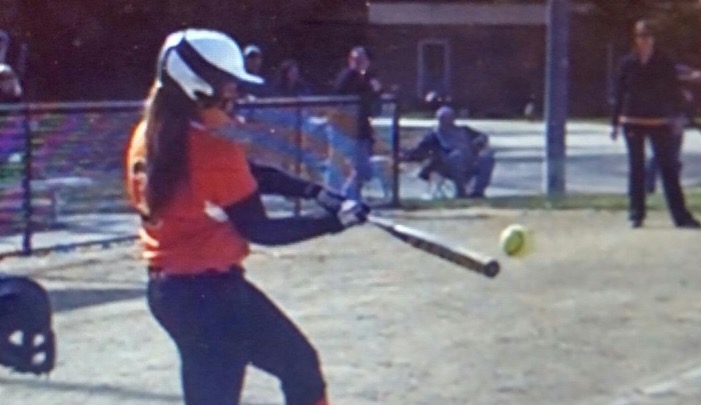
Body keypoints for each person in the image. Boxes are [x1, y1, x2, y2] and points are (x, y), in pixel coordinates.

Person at [125, 28, 370, 405]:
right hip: (210, 297)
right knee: (295, 370)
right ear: (198, 86)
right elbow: (261, 229)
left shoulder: (153, 132)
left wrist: (313, 191)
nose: (234, 94)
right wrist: (334, 222)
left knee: (293, 368)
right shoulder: (211, 148)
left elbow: (246, 175)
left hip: (175, 293)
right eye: (227, 85)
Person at [610, 19, 701, 229]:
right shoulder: (627, 63)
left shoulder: (664, 62)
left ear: (654, 38)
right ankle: (636, 213)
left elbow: (672, 91)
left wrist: (678, 115)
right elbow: (619, 92)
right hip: (632, 121)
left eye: (648, 36)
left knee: (668, 169)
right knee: (637, 169)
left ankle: (681, 217)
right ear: (635, 38)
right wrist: (615, 122)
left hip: (659, 121)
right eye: (641, 36)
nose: (644, 40)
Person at [403, 106, 495, 198]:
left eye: (448, 117)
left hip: (469, 162)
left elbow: (483, 137)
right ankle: (461, 192)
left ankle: (477, 192)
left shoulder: (464, 130)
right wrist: (403, 156)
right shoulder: (434, 135)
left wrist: (478, 143)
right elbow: (419, 151)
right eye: (442, 118)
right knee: (456, 156)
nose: (446, 120)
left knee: (487, 158)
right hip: (446, 167)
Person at [645, 64, 701, 193]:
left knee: (674, 155)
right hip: (665, 119)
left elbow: (700, 77)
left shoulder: (681, 73)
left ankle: (672, 185)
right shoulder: (664, 74)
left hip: (678, 119)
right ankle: (649, 185)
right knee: (661, 154)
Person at [333, 46, 382, 200]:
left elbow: (375, 94)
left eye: (362, 60)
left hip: (362, 129)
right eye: (356, 60)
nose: (359, 63)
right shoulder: (347, 76)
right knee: (349, 167)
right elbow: (342, 92)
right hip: (347, 129)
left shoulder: (368, 77)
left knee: (364, 170)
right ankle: (347, 197)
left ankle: (352, 196)